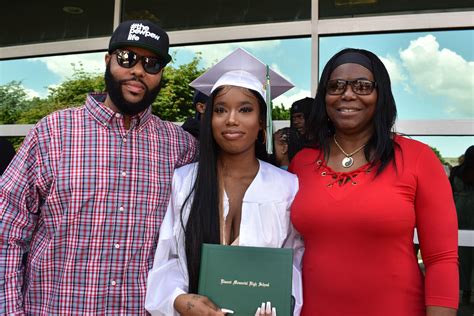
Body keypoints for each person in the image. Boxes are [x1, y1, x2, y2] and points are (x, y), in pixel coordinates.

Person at [0, 20, 197, 315]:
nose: (139, 70)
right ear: (108, 60)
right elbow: (7, 231)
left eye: (152, 63)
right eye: (127, 58)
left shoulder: (180, 147)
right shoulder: (53, 133)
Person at [289, 48, 458, 315]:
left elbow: (441, 260)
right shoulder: (302, 163)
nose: (347, 94)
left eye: (363, 86)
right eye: (336, 86)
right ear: (324, 97)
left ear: (381, 95)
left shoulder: (417, 158)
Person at [145, 48, 303, 316]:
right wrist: (179, 300)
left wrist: (282, 305)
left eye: (245, 109)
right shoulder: (185, 181)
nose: (231, 119)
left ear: (261, 123)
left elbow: (295, 262)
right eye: (220, 110)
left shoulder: (287, 186)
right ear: (209, 120)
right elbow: (167, 257)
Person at [450, 146, 474, 304]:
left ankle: (466, 291)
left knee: (463, 254)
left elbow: (449, 191)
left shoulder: (457, 171)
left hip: (459, 212)